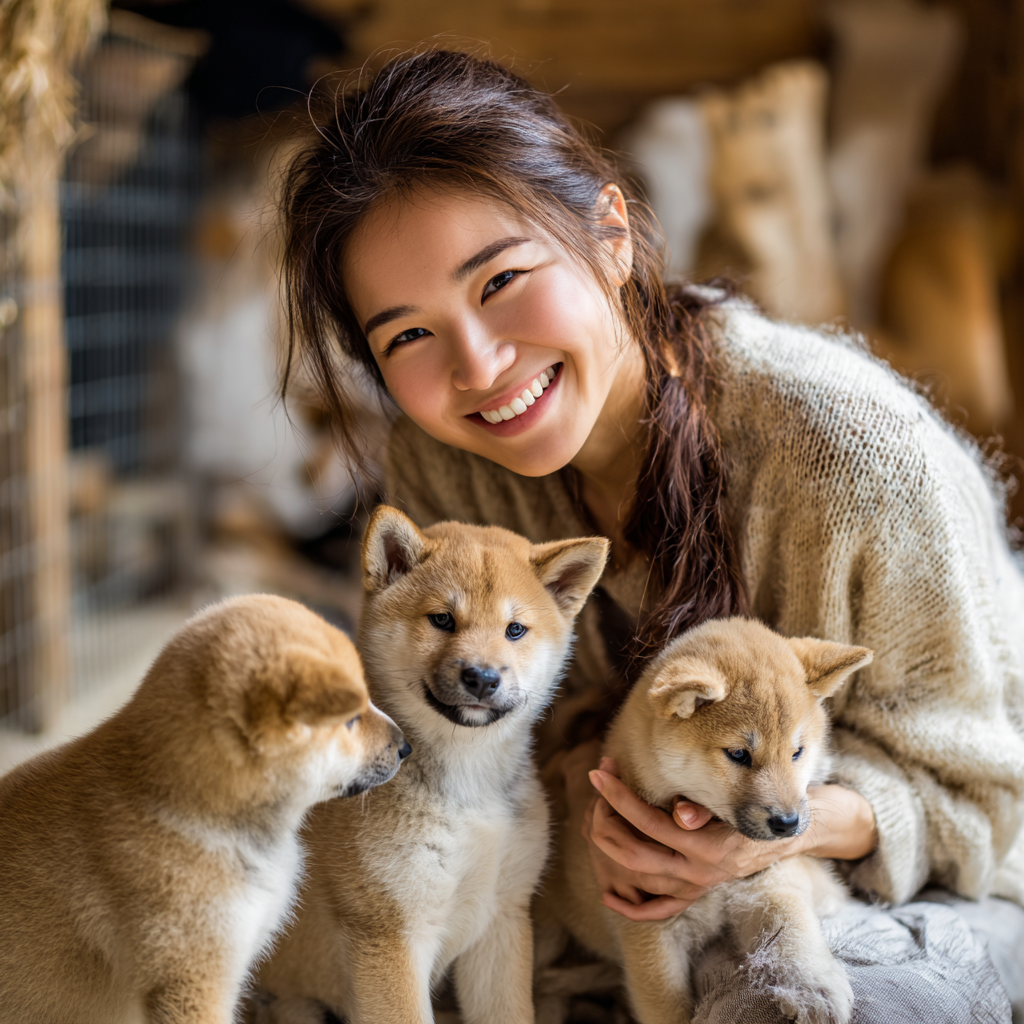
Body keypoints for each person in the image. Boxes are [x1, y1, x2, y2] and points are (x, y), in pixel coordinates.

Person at [278, 48, 1024, 1020]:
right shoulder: (443, 473)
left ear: (610, 234)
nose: (481, 363)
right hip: (610, 887)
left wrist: (768, 832)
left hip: (893, 883)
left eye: (500, 278)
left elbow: (991, 802)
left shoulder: (852, 458)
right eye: (408, 335)